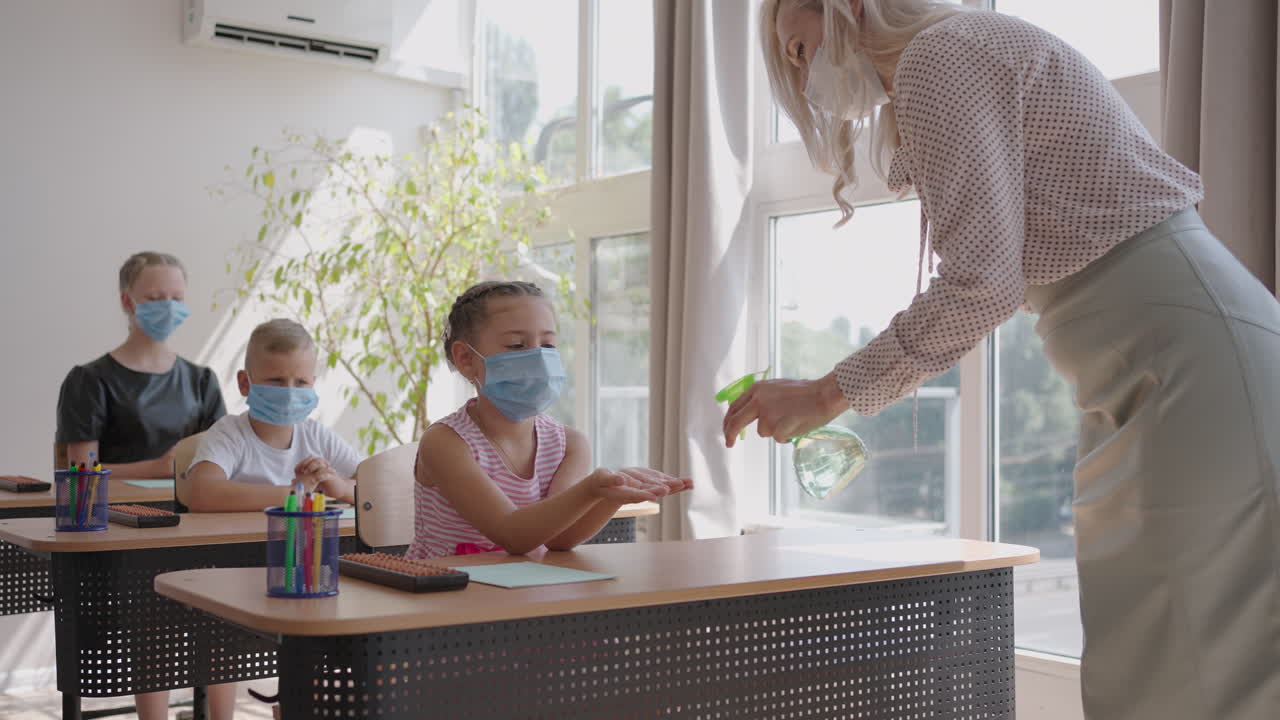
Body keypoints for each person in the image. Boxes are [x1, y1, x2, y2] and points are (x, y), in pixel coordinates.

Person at [732, 2, 1280, 719]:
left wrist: (824, 395)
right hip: (1149, 369)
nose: (805, 79)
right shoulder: (940, 68)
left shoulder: (941, 56)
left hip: (1189, 363)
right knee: (1155, 659)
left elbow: (981, 284)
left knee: (1193, 666)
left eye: (800, 48)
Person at [55, 251, 229, 720]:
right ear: (127, 301)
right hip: (123, 536)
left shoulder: (202, 381)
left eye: (176, 297)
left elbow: (225, 463)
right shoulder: (91, 381)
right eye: (155, 298)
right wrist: (156, 468)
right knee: (154, 613)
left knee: (228, 602)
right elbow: (81, 480)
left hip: (195, 527)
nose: (167, 307)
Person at [406, 281, 691, 559]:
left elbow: (559, 539)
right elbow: (512, 535)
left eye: (548, 345)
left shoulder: (568, 444)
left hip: (523, 592)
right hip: (444, 594)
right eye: (517, 345)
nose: (539, 359)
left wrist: (610, 495)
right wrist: (591, 488)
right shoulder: (445, 442)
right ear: (466, 358)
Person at [186, 318, 358, 512]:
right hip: (242, 541)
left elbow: (375, 489)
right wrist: (293, 493)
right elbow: (201, 494)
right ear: (244, 383)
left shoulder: (317, 435)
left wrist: (341, 488)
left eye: (301, 382)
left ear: (313, 383)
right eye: (277, 380)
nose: (290, 393)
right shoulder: (229, 433)